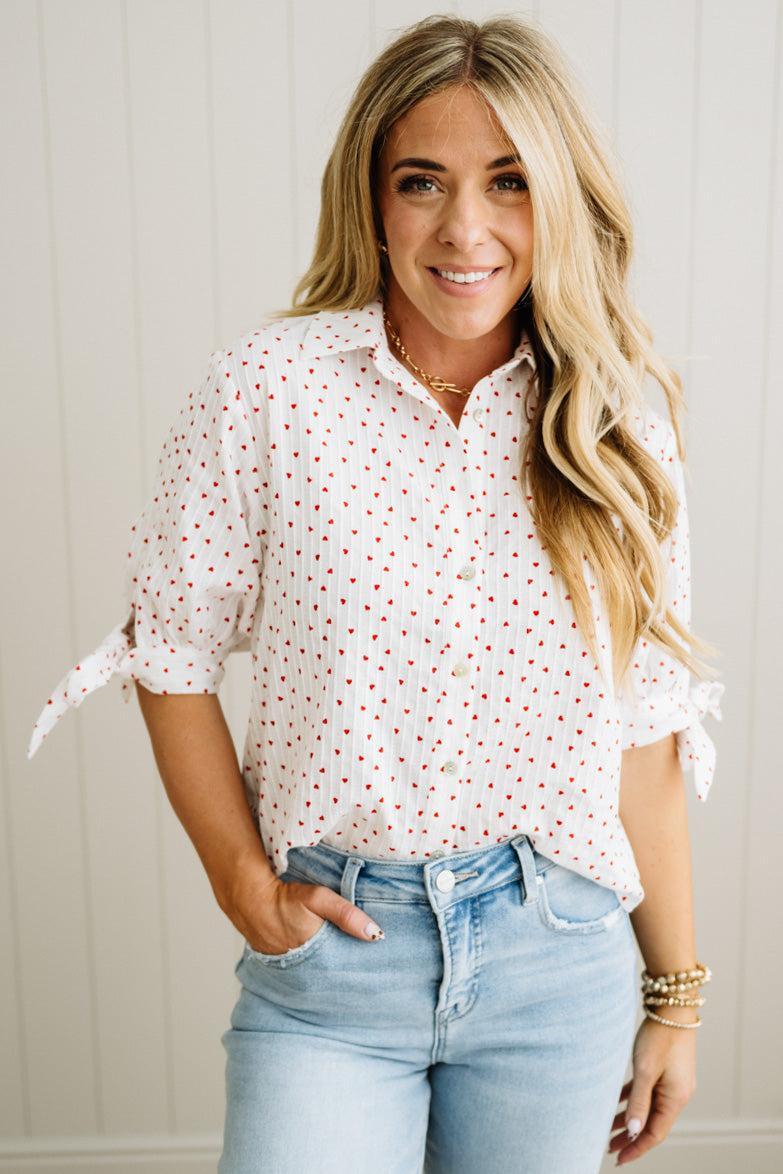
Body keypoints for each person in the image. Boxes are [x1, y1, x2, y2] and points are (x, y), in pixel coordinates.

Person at [27, 13, 725, 1174]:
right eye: (423, 182)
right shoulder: (268, 393)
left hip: (560, 961)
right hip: (334, 967)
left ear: (560, 197)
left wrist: (678, 999)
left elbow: (643, 737)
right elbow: (172, 652)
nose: (466, 228)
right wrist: (241, 880)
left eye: (509, 182)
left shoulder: (616, 431)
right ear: (371, 198)